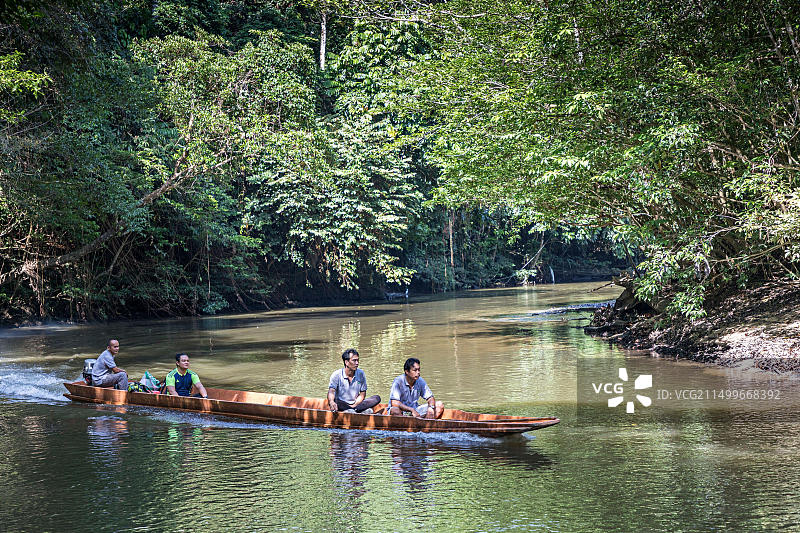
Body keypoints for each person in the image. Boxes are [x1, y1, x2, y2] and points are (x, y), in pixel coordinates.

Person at [327, 348, 381, 413]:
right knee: (335, 400)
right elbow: (331, 391)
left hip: (357, 404)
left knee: (377, 398)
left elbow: (362, 394)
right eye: (354, 361)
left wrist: (354, 405)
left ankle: (353, 410)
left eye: (358, 360)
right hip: (342, 404)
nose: (357, 363)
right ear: (346, 362)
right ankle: (355, 411)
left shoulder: (361, 373)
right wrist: (332, 402)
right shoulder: (336, 374)